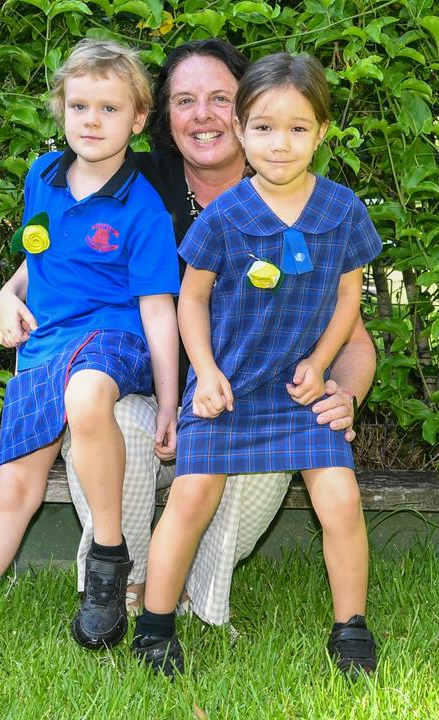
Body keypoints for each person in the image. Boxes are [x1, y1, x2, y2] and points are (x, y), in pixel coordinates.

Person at [0, 39, 377, 627]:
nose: (202, 114)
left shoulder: (292, 188)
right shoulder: (133, 180)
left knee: (258, 456)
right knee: (118, 417)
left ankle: (199, 589)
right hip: (144, 383)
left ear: (249, 110)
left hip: (248, 391)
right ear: (159, 117)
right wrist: (9, 291)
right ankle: (124, 581)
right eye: (185, 100)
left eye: (220, 98)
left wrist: (342, 395)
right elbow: (60, 252)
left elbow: (352, 334)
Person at [0, 38, 180, 690]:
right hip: (45, 345)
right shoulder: (42, 176)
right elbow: (41, 256)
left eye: (109, 108)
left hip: (115, 342)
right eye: (79, 105)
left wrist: (168, 402)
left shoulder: (143, 208)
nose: (90, 120)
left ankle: (108, 558)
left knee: (86, 398)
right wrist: (7, 292)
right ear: (60, 110)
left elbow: (159, 311)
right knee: (14, 490)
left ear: (137, 119)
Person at [130, 52, 381, 677]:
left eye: (298, 128)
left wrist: (323, 365)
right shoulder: (226, 214)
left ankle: (350, 628)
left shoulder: (342, 210)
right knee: (191, 497)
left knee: (341, 498)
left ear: (322, 133)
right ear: (242, 131)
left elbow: (349, 298)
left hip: (299, 391)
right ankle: (155, 629)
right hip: (229, 387)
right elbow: (190, 298)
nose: (280, 143)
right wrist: (206, 373)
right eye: (264, 127)